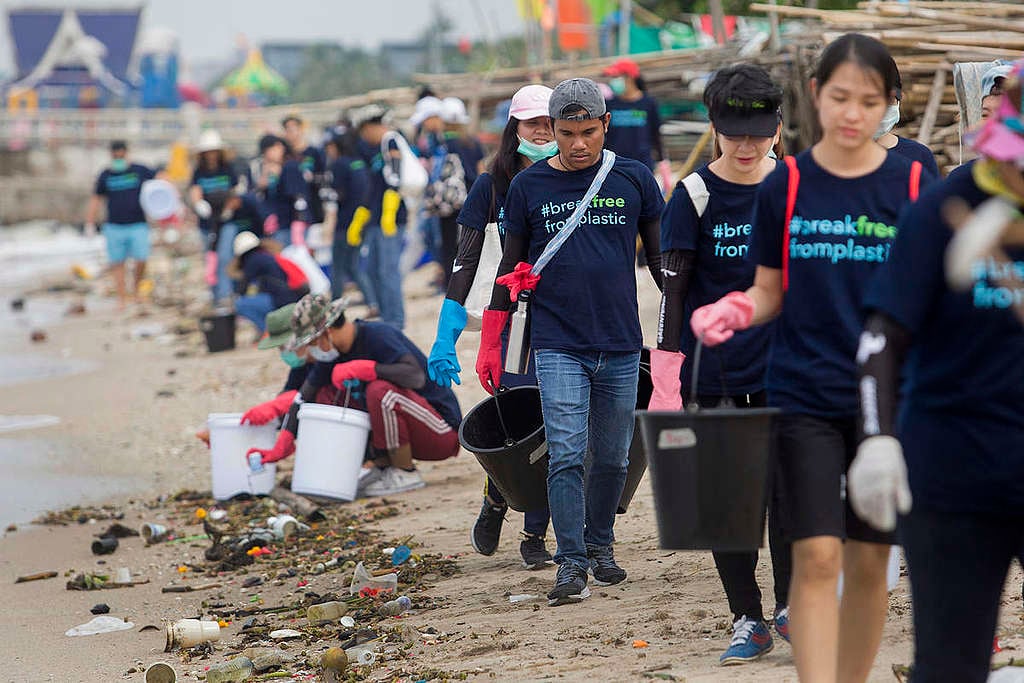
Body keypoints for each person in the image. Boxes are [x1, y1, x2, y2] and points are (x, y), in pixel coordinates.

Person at [689, 34, 934, 682]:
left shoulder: (913, 180)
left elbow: (927, 296)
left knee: (868, 558)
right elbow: (769, 288)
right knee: (818, 553)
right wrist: (736, 310)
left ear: (889, 106)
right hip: (801, 392)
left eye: (869, 100)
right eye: (840, 96)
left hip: (886, 402)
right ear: (816, 95)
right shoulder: (787, 185)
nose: (852, 112)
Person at [849, 60, 1024, 683]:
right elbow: (880, 335)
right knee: (950, 664)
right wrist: (877, 438)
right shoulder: (943, 209)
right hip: (952, 467)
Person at [477, 77, 664, 606]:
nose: (578, 144)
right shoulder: (529, 187)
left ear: (606, 125)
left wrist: (688, 313)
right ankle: (572, 562)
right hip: (556, 343)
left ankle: (602, 548)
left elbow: (660, 261)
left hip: (622, 343)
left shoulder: (633, 179)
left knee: (611, 459)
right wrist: (492, 339)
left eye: (588, 132)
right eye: (565, 133)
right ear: (550, 131)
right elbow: (510, 267)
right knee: (565, 453)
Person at [652, 64, 792, 665]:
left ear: (778, 129)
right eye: (732, 133)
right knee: (729, 502)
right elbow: (674, 292)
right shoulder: (693, 195)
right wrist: (667, 372)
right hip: (715, 371)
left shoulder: (793, 185)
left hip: (787, 368)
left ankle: (793, 610)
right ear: (713, 130)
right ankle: (747, 617)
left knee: (790, 497)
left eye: (757, 134)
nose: (745, 145)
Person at [427, 84, 558, 570]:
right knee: (520, 421)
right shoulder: (491, 185)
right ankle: (497, 499)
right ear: (515, 129)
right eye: (532, 123)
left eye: (549, 122)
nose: (542, 131)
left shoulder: (574, 178)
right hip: (512, 319)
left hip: (564, 317)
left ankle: (534, 535)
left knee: (555, 423)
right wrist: (447, 330)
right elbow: (464, 262)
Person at [247, 294, 462, 497]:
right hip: (403, 431)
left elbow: (416, 377)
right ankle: (376, 462)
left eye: (313, 342)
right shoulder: (331, 356)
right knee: (326, 395)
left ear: (327, 332)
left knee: (380, 391)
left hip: (441, 431)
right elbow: (304, 396)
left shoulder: (378, 335)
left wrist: (371, 369)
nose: (313, 350)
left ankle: (404, 472)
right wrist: (286, 438)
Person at [352, 104, 407, 329]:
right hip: (375, 218)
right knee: (372, 269)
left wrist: (390, 212)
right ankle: (386, 317)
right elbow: (372, 186)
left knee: (387, 270)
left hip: (390, 219)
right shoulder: (371, 150)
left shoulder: (390, 142)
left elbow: (395, 178)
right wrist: (362, 215)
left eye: (366, 130)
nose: (364, 136)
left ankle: (395, 320)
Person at [85, 140, 156, 309]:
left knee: (141, 258)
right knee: (117, 263)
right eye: (115, 155)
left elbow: (159, 181)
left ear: (126, 153)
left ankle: (136, 290)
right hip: (114, 225)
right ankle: (122, 298)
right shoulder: (106, 175)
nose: (118, 157)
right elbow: (96, 198)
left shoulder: (139, 170)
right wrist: (90, 222)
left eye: (121, 154)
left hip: (138, 223)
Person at [429, 97, 485, 288]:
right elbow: (481, 172)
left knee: (448, 244)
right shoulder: (472, 142)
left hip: (450, 202)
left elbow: (436, 174)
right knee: (470, 243)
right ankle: (471, 282)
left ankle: (450, 284)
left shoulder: (442, 144)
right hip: (472, 198)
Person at [322, 132, 374, 307]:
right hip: (362, 220)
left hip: (345, 222)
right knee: (353, 263)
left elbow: (339, 194)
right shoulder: (359, 163)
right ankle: (371, 299)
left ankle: (335, 302)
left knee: (339, 265)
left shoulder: (338, 165)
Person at [602, 58, 671, 188]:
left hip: (643, 165)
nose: (613, 81)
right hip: (614, 165)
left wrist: (662, 162)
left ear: (629, 78)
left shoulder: (648, 104)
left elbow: (656, 135)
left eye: (616, 77)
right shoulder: (610, 104)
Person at [188, 130, 240, 305]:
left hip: (225, 220)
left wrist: (229, 208)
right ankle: (215, 295)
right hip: (207, 223)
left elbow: (235, 191)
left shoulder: (227, 169)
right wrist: (199, 205)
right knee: (210, 259)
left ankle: (226, 294)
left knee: (225, 256)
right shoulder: (199, 172)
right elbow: (194, 191)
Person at [231, 231, 309, 333]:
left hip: (281, 300)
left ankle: (268, 331)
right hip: (292, 296)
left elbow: (243, 286)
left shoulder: (252, 260)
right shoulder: (265, 256)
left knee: (240, 304)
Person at [874, 57, 940, 177]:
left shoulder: (918, 156)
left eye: (888, 99)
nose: (880, 109)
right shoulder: (833, 158)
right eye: (871, 102)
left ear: (900, 98)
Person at [249, 134, 310, 248]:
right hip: (279, 224)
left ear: (279, 147)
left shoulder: (290, 166)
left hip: (290, 224)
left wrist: (299, 222)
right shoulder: (274, 169)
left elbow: (298, 196)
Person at [282, 114, 327, 224]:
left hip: (313, 203)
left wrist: (312, 178)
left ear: (301, 129)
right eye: (287, 130)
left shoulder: (314, 152)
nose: (290, 133)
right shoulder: (284, 154)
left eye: (292, 129)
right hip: (290, 208)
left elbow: (325, 175)